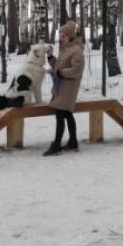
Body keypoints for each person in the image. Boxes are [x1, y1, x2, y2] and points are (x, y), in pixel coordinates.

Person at [43, 20, 85, 156]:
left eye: (64, 36)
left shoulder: (76, 50)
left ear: (71, 35)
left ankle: (56, 145)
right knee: (67, 113)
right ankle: (73, 142)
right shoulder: (65, 48)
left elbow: (77, 70)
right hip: (62, 86)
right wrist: (50, 57)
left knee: (61, 113)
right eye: (60, 36)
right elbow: (58, 67)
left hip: (69, 87)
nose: (61, 38)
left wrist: (59, 72)